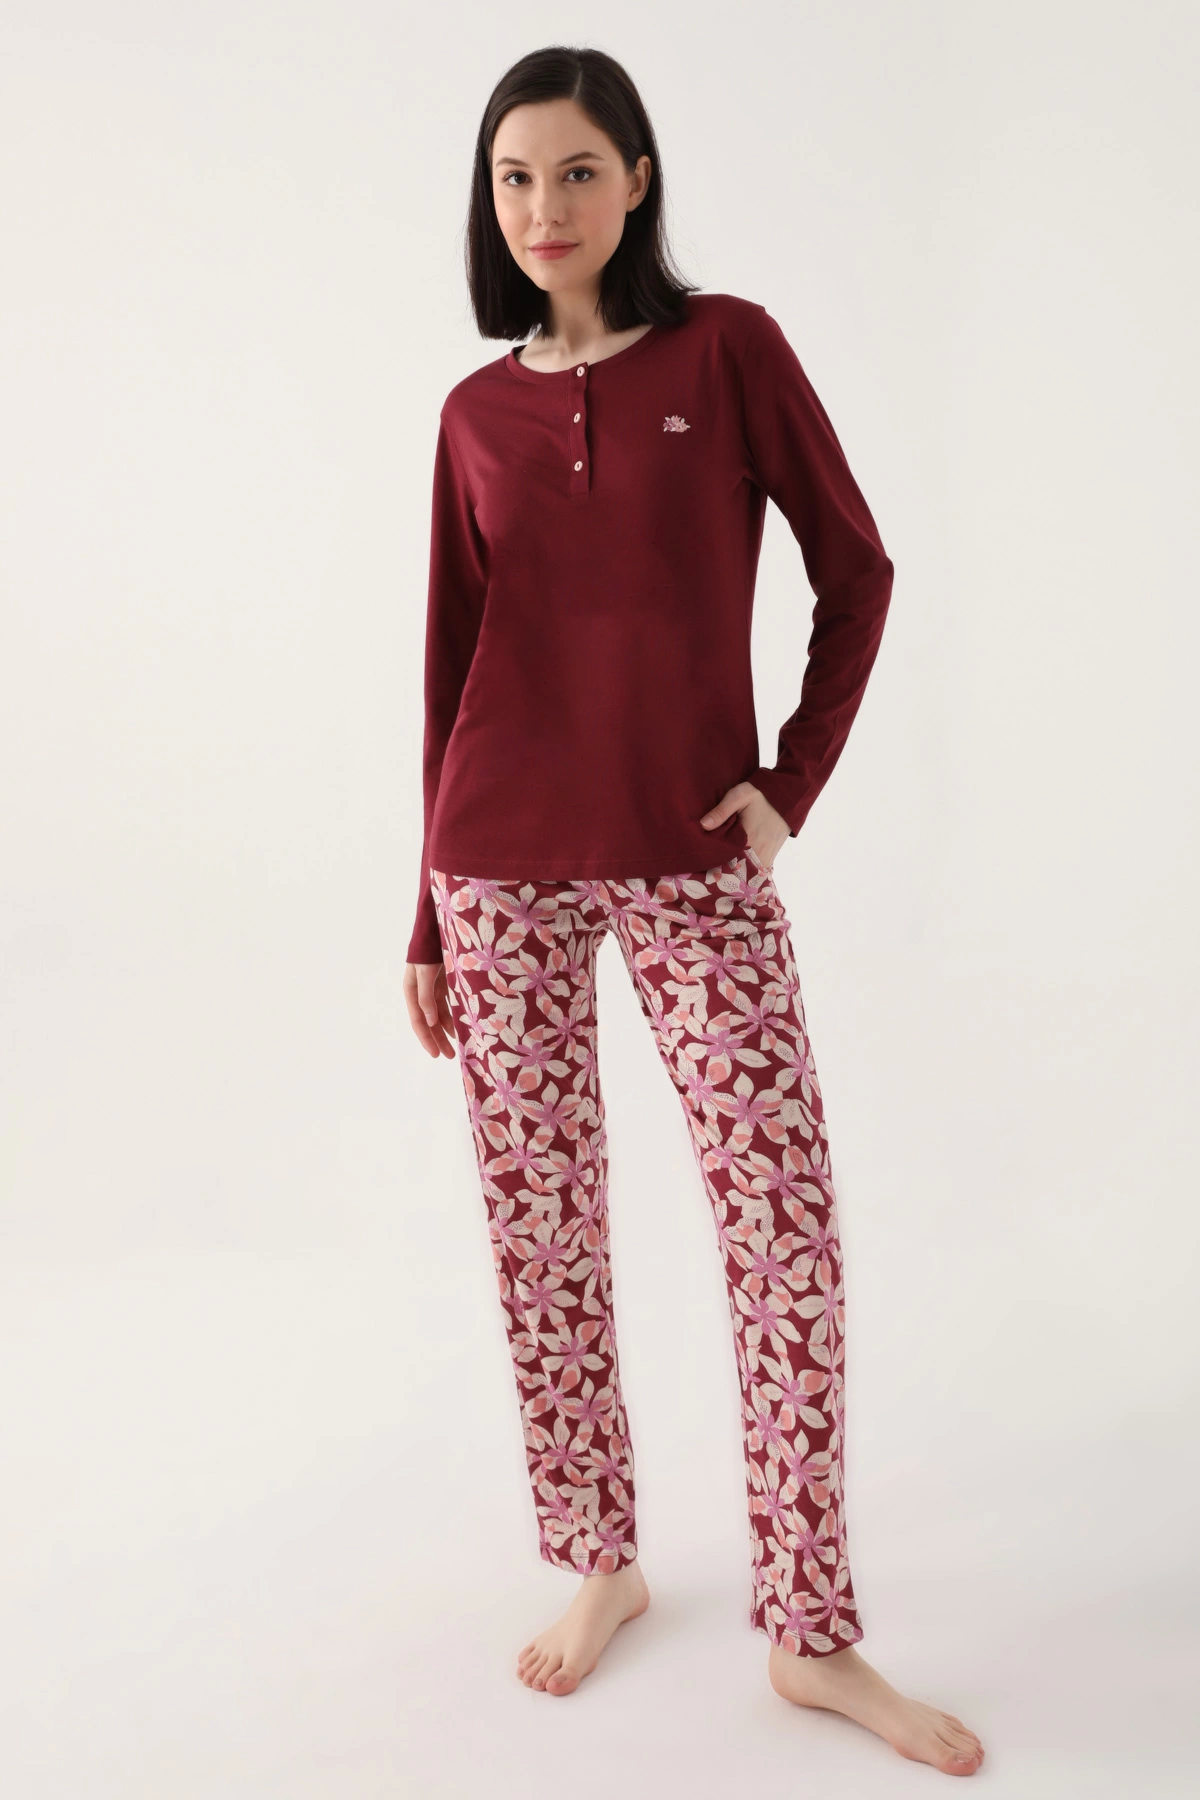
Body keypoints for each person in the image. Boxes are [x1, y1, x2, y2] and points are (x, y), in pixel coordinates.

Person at [402, 43, 985, 1777]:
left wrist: (786, 787)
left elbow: (857, 570)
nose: (546, 208)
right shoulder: (474, 416)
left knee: (780, 1225)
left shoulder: (728, 352)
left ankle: (812, 1632)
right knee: (542, 1228)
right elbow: (449, 670)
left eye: (578, 172)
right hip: (496, 862)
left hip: (689, 855)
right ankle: (601, 1561)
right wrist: (423, 915)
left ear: (637, 180)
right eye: (517, 178)